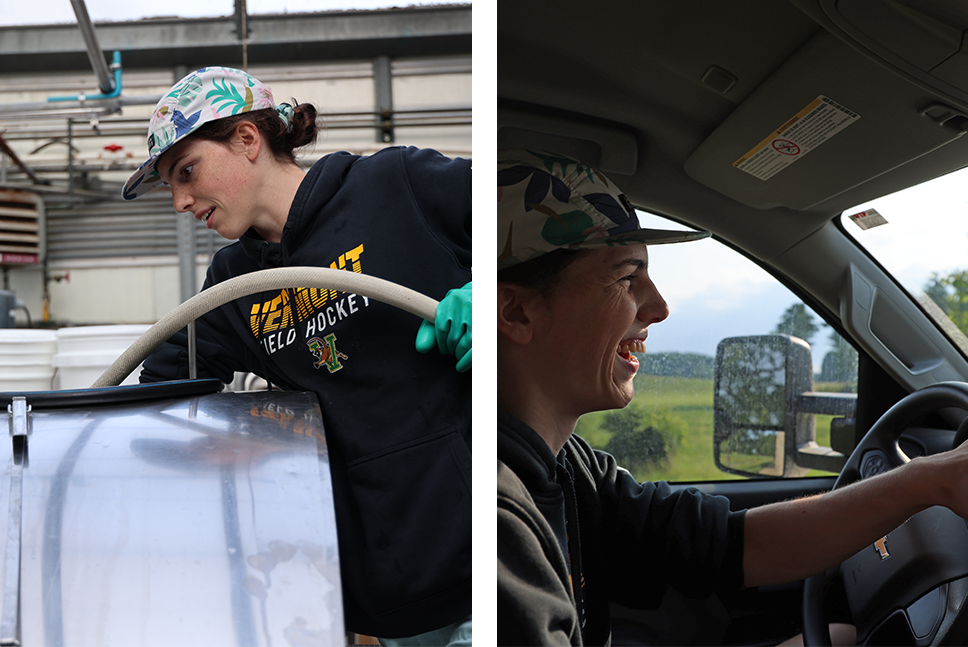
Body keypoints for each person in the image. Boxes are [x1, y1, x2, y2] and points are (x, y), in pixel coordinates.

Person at [496, 149, 968, 647]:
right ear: (517, 312)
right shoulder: (498, 519)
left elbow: (731, 545)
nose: (659, 307)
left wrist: (928, 481)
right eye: (626, 278)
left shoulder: (567, 466)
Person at [122, 66, 471, 647]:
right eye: (170, 186)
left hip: (484, 550)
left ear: (246, 139)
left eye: (187, 172)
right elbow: (157, 393)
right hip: (388, 590)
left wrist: (490, 292)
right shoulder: (233, 284)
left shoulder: (395, 185)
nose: (180, 201)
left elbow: (529, 232)